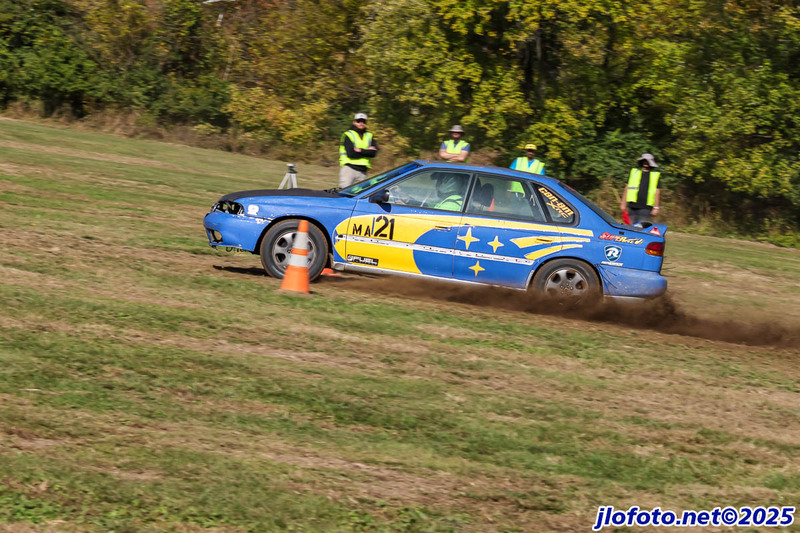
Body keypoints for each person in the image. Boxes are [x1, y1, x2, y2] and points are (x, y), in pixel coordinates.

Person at [619, 153, 662, 225]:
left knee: (640, 229)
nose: (645, 162)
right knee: (630, 227)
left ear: (651, 163)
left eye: (647, 161)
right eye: (644, 160)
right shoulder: (634, 172)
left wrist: (656, 207)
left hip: (646, 207)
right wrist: (623, 203)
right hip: (632, 206)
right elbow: (627, 188)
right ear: (641, 161)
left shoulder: (655, 175)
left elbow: (657, 192)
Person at [339, 113, 378, 188]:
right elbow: (351, 154)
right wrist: (367, 151)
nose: (361, 123)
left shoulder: (369, 136)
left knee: (358, 196)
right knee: (343, 194)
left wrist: (360, 150)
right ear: (354, 122)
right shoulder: (348, 135)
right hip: (349, 169)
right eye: (358, 121)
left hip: (363, 171)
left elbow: (373, 153)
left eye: (363, 121)